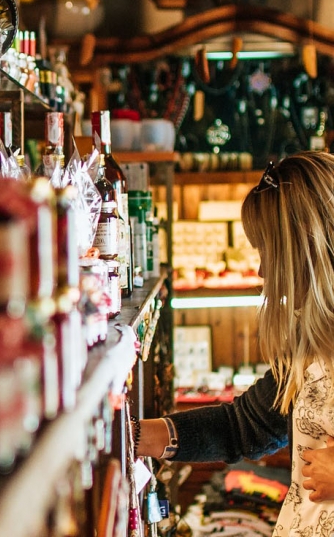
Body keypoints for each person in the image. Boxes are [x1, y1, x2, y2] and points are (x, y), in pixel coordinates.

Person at [136, 151, 334, 535]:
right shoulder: (310, 340)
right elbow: (243, 426)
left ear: (305, 249)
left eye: (268, 251)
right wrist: (135, 436)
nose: (262, 270)